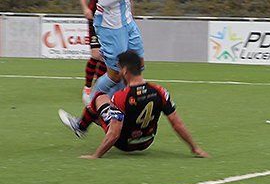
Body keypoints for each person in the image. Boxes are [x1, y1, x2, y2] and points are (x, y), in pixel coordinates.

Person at [59, 50, 209, 159]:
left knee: (99, 97)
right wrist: (195, 148)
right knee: (112, 111)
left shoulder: (121, 97)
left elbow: (114, 134)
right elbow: (177, 124)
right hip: (147, 141)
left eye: (119, 69)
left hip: (124, 143)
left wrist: (96, 155)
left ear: (124, 70)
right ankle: (90, 121)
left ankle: (81, 126)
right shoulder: (160, 91)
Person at [78, 0, 107, 106]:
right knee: (96, 54)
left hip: (111, 21)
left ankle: (97, 88)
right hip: (95, 18)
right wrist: (85, 8)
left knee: (107, 56)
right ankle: (88, 88)